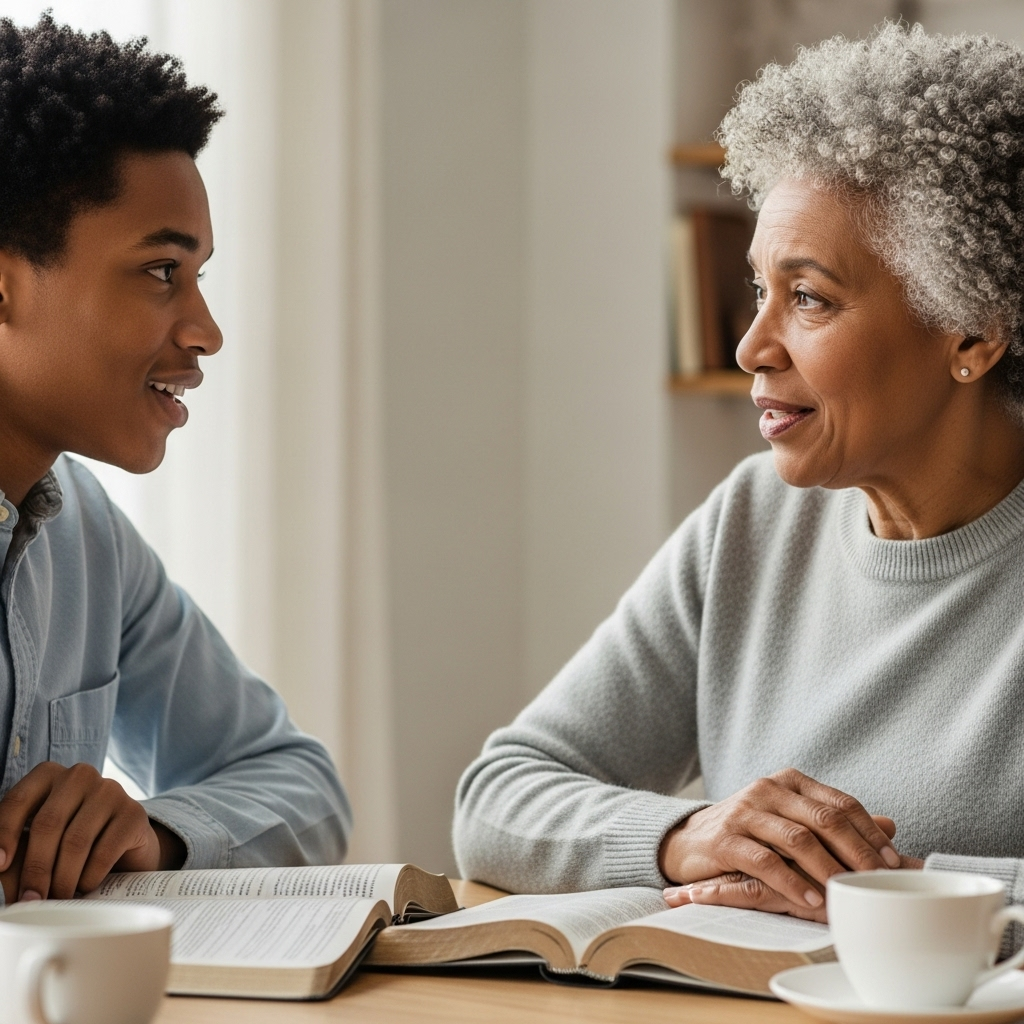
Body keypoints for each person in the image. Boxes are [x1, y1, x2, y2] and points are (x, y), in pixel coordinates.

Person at [453, 22, 1024, 936]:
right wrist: (692, 832)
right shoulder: (754, 521)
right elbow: (498, 798)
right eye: (759, 291)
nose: (752, 346)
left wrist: (894, 890)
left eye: (808, 298)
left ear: (972, 332)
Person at [0, 15, 351, 905]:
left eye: (199, 278)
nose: (207, 331)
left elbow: (298, 785)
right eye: (162, 272)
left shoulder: (84, 535)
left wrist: (152, 832)